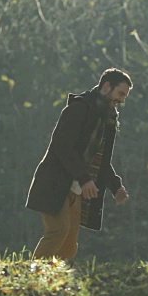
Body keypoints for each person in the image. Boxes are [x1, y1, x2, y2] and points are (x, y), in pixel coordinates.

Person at [26, 68, 132, 260]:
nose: (122, 100)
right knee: (58, 232)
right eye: (120, 93)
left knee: (69, 244)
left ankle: (58, 283)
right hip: (55, 182)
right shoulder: (78, 108)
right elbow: (62, 147)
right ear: (107, 86)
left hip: (75, 188)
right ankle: (31, 276)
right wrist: (84, 179)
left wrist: (116, 187)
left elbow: (99, 160)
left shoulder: (105, 119)